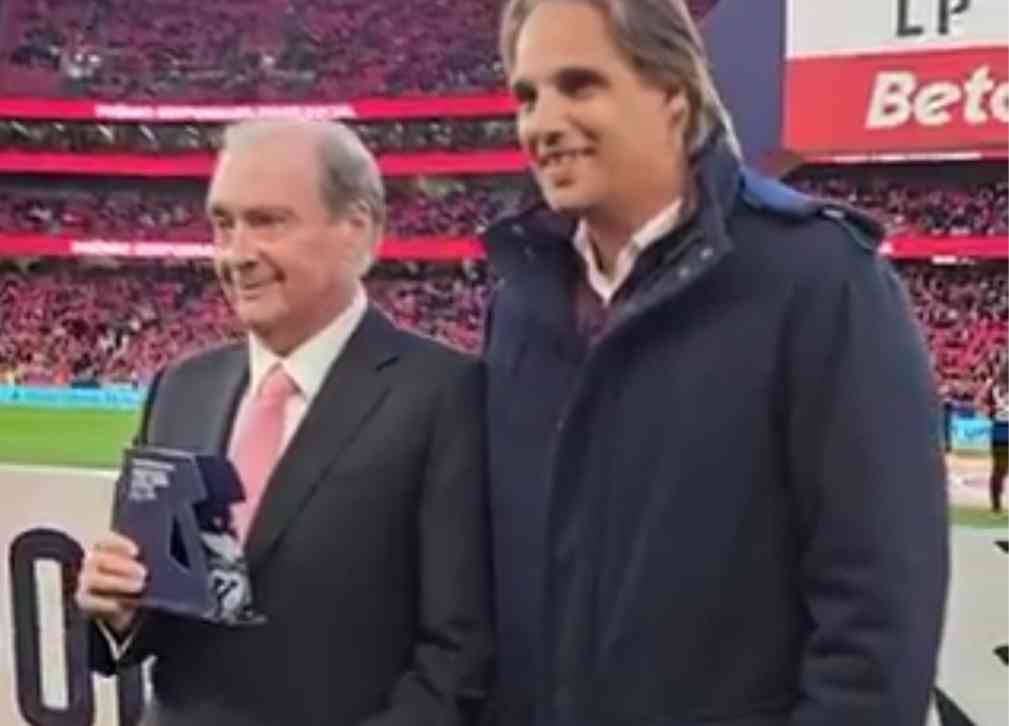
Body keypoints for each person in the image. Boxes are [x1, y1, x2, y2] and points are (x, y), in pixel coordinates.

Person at [479, 1, 949, 725]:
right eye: (526, 96)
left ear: (673, 94)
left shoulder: (821, 281)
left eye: (579, 85)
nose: (542, 122)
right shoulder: (518, 302)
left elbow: (878, 614)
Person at [75, 119, 493, 726]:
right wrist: (121, 611)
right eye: (223, 224)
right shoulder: (181, 388)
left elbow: (457, 660)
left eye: (267, 221)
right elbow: (161, 609)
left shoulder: (445, 395)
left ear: (356, 229)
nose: (237, 254)